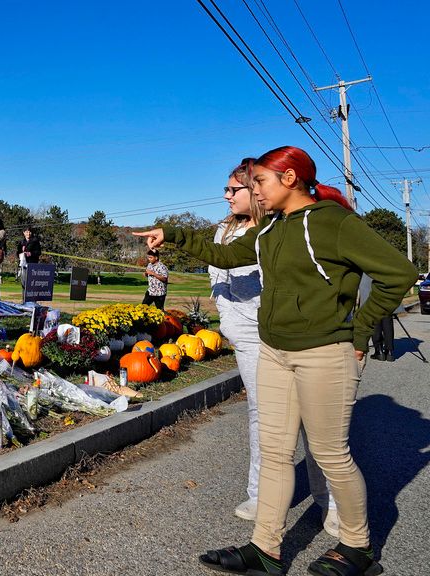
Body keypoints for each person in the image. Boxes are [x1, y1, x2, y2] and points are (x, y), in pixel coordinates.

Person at [135, 146, 416, 576]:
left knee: (329, 454)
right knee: (276, 451)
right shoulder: (270, 230)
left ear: (289, 180)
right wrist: (171, 235)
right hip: (275, 352)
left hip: (325, 353)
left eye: (260, 183)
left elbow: (398, 272)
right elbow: (228, 256)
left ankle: (358, 548)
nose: (255, 192)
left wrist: (360, 331)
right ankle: (266, 550)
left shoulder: (333, 223)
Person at [210, 159, 337, 534]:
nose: (226, 196)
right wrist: (231, 324)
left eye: (234, 189)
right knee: (262, 416)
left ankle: (328, 500)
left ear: (257, 191)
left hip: (293, 333)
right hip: (249, 338)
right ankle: (261, 493)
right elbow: (218, 280)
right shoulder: (224, 232)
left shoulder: (281, 228)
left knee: (314, 422)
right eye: (227, 189)